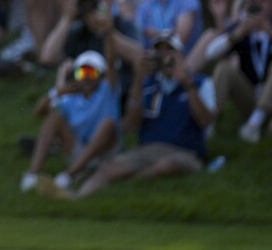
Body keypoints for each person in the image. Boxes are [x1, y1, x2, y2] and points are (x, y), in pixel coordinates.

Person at [66, 34, 216, 199]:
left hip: (186, 152)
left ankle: (122, 186)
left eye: (170, 52)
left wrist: (187, 83)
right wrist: (138, 79)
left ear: (181, 55)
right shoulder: (149, 85)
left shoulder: (200, 83)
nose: (164, 57)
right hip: (148, 150)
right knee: (108, 167)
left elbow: (206, 121)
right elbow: (131, 124)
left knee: (166, 166)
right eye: (159, 52)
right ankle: (76, 198)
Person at [199, 0, 272, 143]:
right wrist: (237, 34)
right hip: (251, 96)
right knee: (224, 67)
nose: (258, 4)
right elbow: (209, 54)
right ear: (245, 3)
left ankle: (255, 123)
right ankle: (209, 123)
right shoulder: (240, 30)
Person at [21, 50, 121, 194]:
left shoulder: (108, 90)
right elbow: (38, 112)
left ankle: (67, 176)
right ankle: (33, 174)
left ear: (102, 76)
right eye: (82, 73)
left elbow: (112, 63)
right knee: (55, 116)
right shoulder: (70, 97)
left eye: (91, 73)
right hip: (80, 150)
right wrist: (58, 92)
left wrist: (107, 32)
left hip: (107, 153)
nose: (86, 78)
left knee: (108, 124)